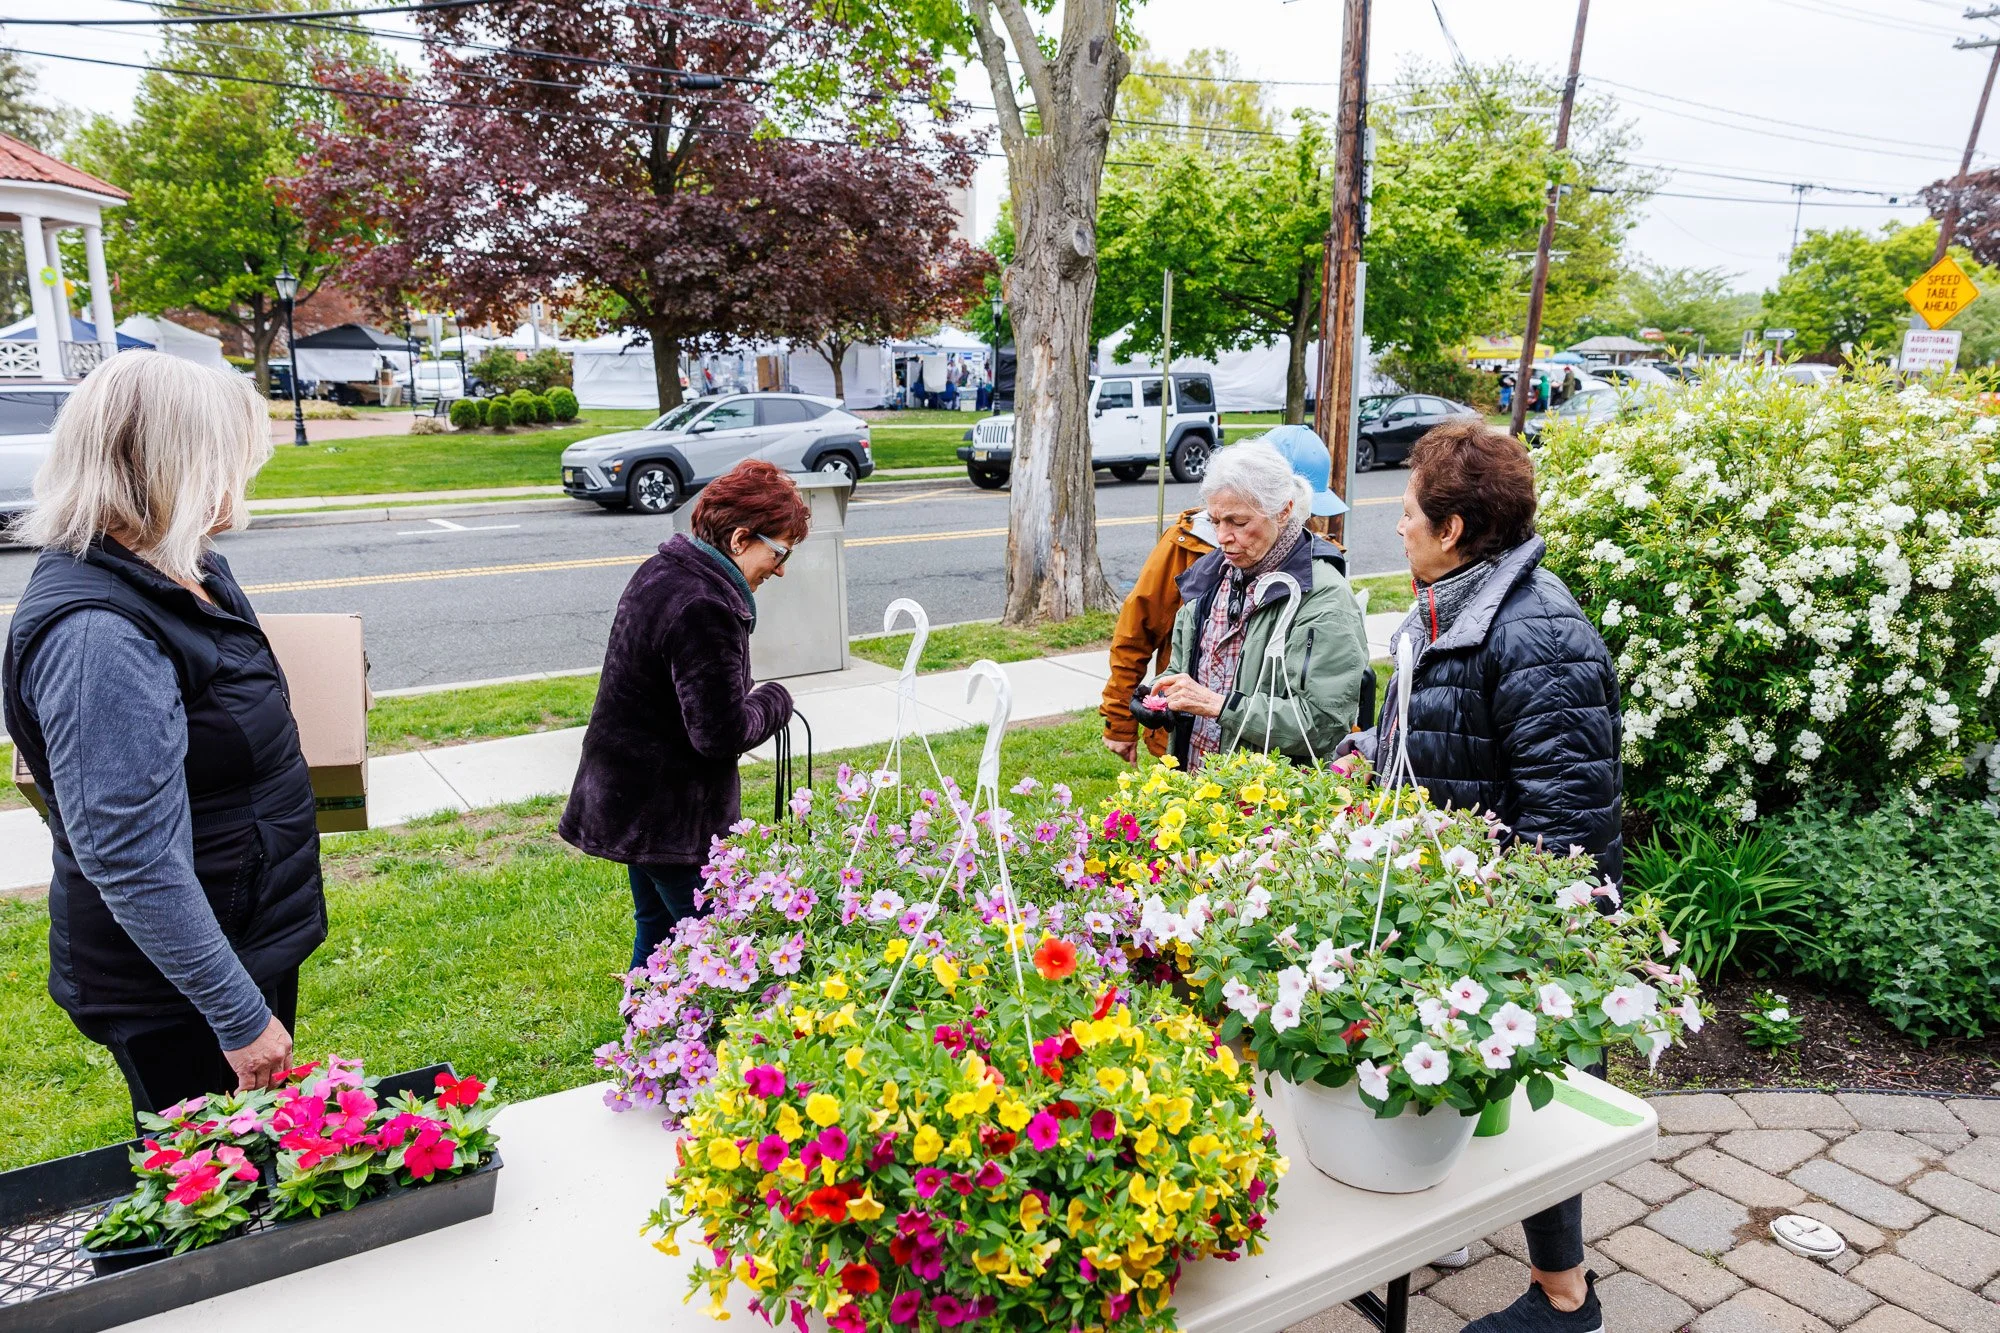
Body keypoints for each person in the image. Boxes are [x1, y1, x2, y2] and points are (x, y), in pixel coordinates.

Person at [1345, 419, 1621, 1333]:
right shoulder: (1451, 605)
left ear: (1454, 528)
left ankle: (1566, 1298)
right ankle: (1445, 1212)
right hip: (1443, 898)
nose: (1398, 529)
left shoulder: (1537, 631)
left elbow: (1570, 822)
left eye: (1409, 513)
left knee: (1536, 1107)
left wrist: (1529, 956)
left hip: (1502, 923)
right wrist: (1369, 753)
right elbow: (1437, 736)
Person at [2, 352, 322, 1116]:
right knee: (216, 1194)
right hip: (174, 988)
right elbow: (130, 854)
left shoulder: (180, 563)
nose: (241, 480)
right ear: (171, 466)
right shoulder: (96, 637)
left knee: (263, 1158)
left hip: (239, 929)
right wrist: (238, 1014)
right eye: (229, 460)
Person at [560, 459, 806, 972]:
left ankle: (639, 1039)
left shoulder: (664, 571)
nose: (781, 568)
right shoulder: (704, 604)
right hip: (671, 819)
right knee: (720, 945)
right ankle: (706, 1045)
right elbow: (720, 734)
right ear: (741, 539)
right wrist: (775, 701)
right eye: (778, 552)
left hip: (630, 800)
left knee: (656, 928)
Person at [1100, 427, 1351, 762]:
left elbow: (1324, 725)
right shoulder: (1210, 574)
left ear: (1284, 510)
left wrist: (1216, 705)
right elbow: (1180, 662)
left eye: (1237, 522)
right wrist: (1161, 693)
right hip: (1192, 786)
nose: (1222, 537)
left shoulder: (1324, 597)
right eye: (1216, 520)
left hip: (1263, 801)